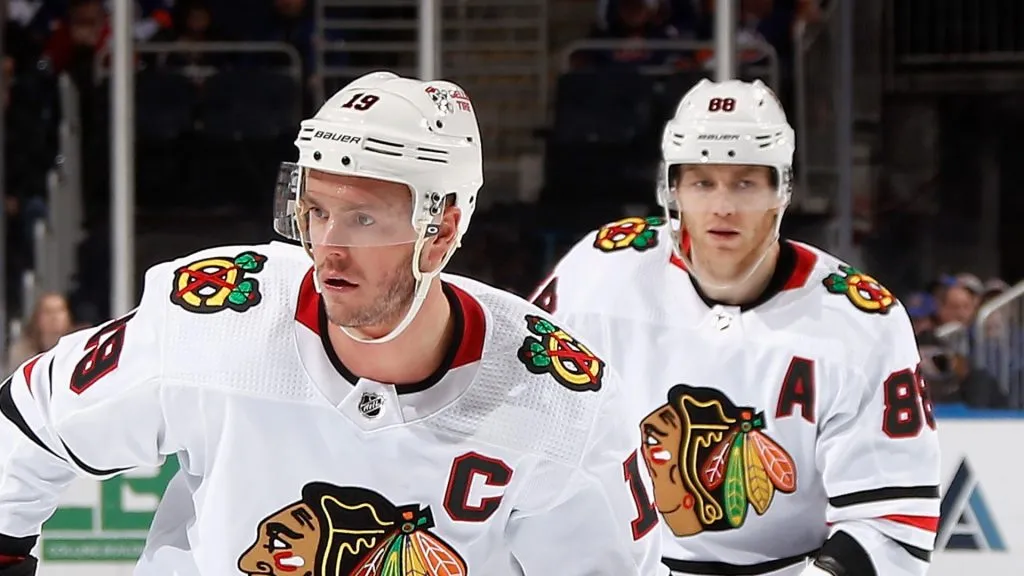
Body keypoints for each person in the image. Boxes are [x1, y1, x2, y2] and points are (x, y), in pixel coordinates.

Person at [0, 72, 666, 575]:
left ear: (442, 232)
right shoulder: (217, 321)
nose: (328, 248)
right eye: (317, 211)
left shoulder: (555, 398)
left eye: (365, 218)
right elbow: (29, 424)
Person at [530, 79, 940, 576]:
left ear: (780, 191)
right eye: (703, 182)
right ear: (672, 188)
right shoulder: (598, 273)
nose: (723, 206)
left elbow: (891, 522)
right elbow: (524, 424)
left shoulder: (861, 321)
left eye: (745, 182)